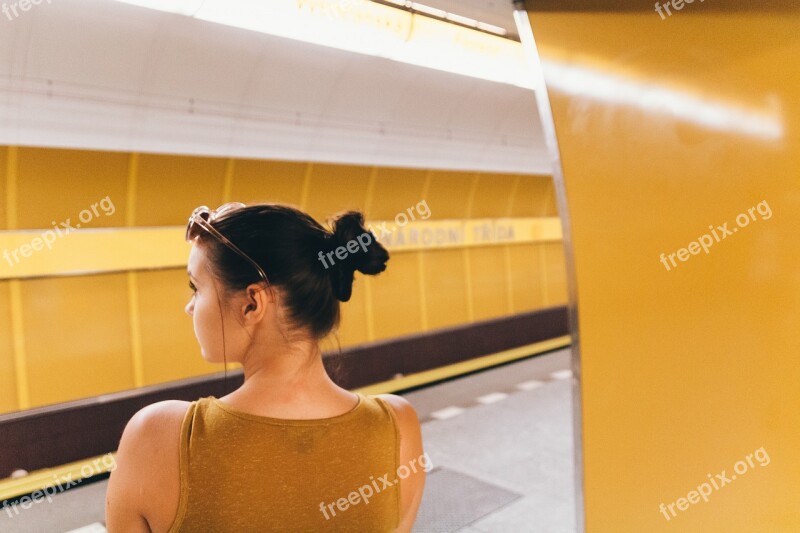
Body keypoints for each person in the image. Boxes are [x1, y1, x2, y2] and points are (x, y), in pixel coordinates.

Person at [106, 202, 427, 532]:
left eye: (196, 288)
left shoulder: (157, 436)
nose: (189, 308)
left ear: (251, 304)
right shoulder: (398, 427)